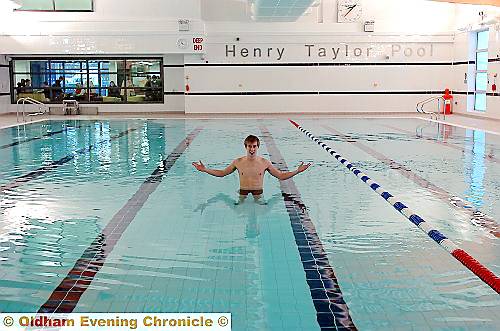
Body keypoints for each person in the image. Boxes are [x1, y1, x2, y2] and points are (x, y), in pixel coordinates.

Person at [192, 135, 311, 201]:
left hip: (258, 194)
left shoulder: (264, 162)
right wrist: (205, 169)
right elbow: (223, 173)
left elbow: (280, 175)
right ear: (246, 146)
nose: (252, 149)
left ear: (258, 146)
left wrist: (297, 171)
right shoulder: (238, 162)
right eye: (249, 146)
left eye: (254, 146)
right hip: (242, 194)